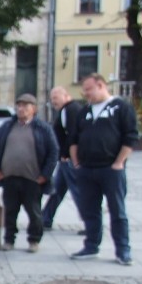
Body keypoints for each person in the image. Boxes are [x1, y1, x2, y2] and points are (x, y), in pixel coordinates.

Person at [68, 73, 139, 265]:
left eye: (89, 89)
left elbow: (130, 137)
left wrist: (119, 163)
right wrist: (76, 163)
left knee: (117, 210)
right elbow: (73, 139)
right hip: (87, 169)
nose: (86, 94)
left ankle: (123, 250)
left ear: (101, 86)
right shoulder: (84, 112)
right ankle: (91, 245)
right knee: (90, 210)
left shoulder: (121, 108)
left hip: (110, 169)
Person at [0, 93, 59, 253]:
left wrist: (45, 175)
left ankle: (34, 240)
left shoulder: (43, 128)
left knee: (34, 212)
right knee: (10, 211)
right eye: (19, 106)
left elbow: (53, 152)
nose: (21, 109)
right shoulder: (7, 126)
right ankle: (8, 240)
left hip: (33, 179)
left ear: (33, 109)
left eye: (25, 106)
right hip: (10, 178)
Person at [42, 86, 84, 231]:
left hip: (68, 159)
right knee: (58, 190)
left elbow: (73, 134)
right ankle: (45, 218)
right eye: (52, 98)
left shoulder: (69, 110)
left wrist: (67, 155)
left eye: (55, 98)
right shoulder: (69, 109)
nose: (53, 102)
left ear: (65, 95)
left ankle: (89, 222)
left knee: (78, 192)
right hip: (65, 159)